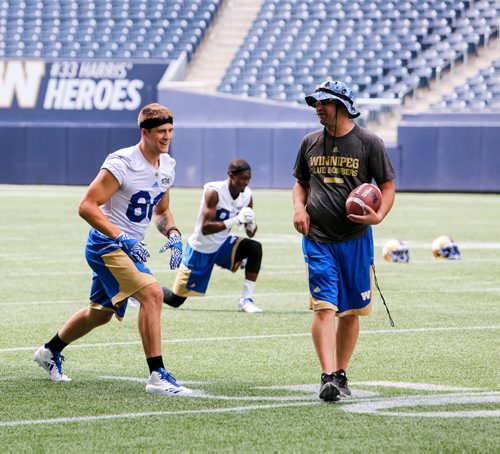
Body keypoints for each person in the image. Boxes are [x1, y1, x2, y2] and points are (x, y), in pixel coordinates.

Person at [34, 103, 192, 396]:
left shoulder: (167, 164)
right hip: (106, 244)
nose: (167, 137)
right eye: (161, 132)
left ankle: (48, 351)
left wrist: (173, 233)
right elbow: (86, 206)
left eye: (170, 131)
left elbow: (161, 211)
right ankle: (157, 375)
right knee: (153, 294)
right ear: (144, 132)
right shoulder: (122, 162)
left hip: (131, 247)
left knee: (100, 313)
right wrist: (122, 237)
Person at [292, 80, 396, 402]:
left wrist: (378, 217)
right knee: (324, 308)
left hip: (355, 240)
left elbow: (388, 186)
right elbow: (300, 183)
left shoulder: (368, 142)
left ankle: (340, 373)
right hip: (318, 238)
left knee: (349, 312)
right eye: (316, 104)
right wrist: (299, 208)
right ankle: (326, 376)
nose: (318, 108)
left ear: (343, 106)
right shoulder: (310, 141)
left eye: (324, 103)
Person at [162, 158, 264, 314]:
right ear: (231, 175)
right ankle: (141, 290)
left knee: (254, 248)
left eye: (248, 179)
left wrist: (251, 223)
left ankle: (246, 299)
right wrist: (236, 220)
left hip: (223, 245)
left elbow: (251, 233)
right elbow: (205, 228)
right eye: (242, 179)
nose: (246, 183)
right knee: (175, 300)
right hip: (201, 249)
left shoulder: (247, 196)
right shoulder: (214, 192)